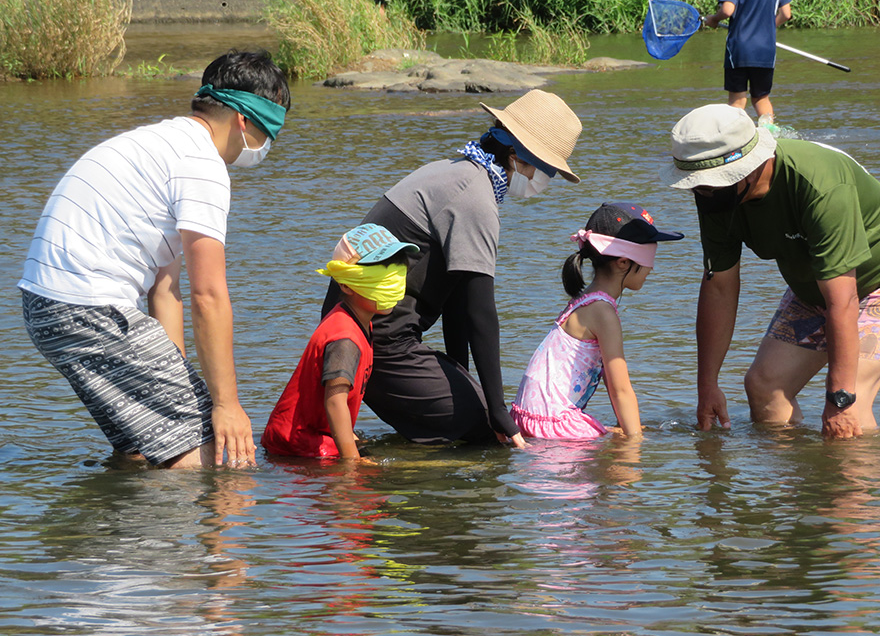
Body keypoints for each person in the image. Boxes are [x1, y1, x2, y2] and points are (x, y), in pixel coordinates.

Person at [19, 50, 290, 468]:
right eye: (269, 131)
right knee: (224, 454)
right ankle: (223, 530)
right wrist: (227, 405)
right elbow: (209, 294)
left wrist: (178, 382)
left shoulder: (160, 142)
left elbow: (165, 288)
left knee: (143, 448)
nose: (266, 145)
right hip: (90, 308)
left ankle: (133, 530)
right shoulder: (202, 165)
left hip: (45, 308)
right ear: (243, 120)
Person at [321, 89, 583, 448]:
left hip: (363, 331)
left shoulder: (455, 172)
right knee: (486, 433)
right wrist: (497, 410)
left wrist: (463, 378)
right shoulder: (475, 198)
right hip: (373, 341)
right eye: (547, 170)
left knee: (472, 413)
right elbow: (480, 313)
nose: (545, 180)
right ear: (517, 156)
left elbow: (457, 302)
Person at [661, 104, 880, 439]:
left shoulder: (818, 184)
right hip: (815, 281)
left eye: (710, 185)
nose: (701, 194)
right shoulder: (717, 196)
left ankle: (870, 488)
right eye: (697, 185)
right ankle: (797, 488)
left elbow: (844, 301)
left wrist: (838, 400)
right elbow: (719, 287)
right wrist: (707, 385)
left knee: (852, 403)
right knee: (765, 387)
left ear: (748, 167)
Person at [510, 203, 684, 440]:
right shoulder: (603, 313)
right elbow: (620, 389)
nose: (652, 268)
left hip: (526, 417)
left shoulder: (584, 300)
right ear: (623, 262)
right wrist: (634, 444)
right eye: (648, 259)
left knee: (613, 434)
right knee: (631, 443)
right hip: (552, 423)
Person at [262, 224, 416, 460]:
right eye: (380, 275)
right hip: (298, 445)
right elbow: (335, 402)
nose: (392, 282)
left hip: (312, 436)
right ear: (346, 284)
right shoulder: (345, 337)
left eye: (396, 271)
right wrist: (352, 463)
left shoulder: (356, 319)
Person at [703, 0, 792, 125]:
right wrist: (769, 28)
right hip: (766, 49)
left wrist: (714, 19)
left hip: (740, 49)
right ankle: (770, 136)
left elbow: (727, 10)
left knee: (738, 100)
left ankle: (736, 140)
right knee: (761, 97)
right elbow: (786, 14)